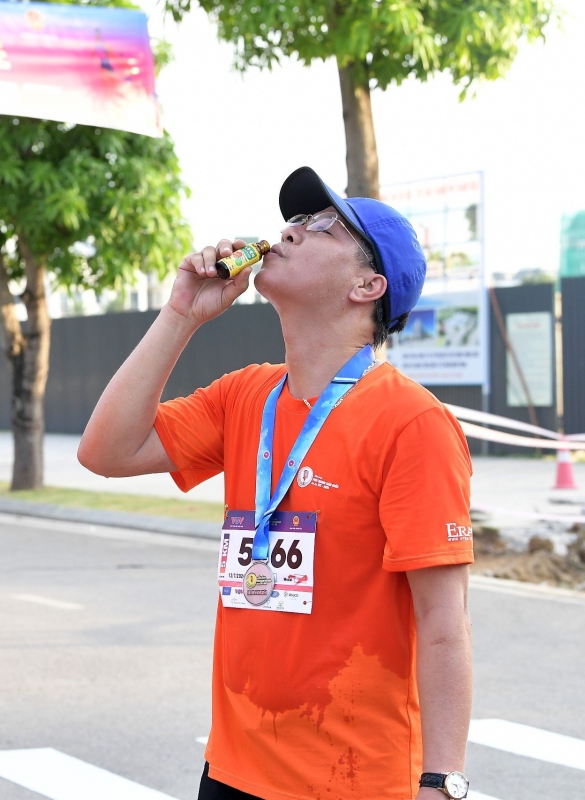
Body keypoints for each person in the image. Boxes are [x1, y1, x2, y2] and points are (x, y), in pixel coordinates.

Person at [78, 167, 474, 800]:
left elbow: (443, 620)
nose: (289, 231)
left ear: (367, 285)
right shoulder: (247, 395)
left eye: (321, 227)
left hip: (355, 780)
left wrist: (441, 781)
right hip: (234, 768)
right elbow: (106, 451)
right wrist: (181, 314)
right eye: (294, 220)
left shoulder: (412, 422)